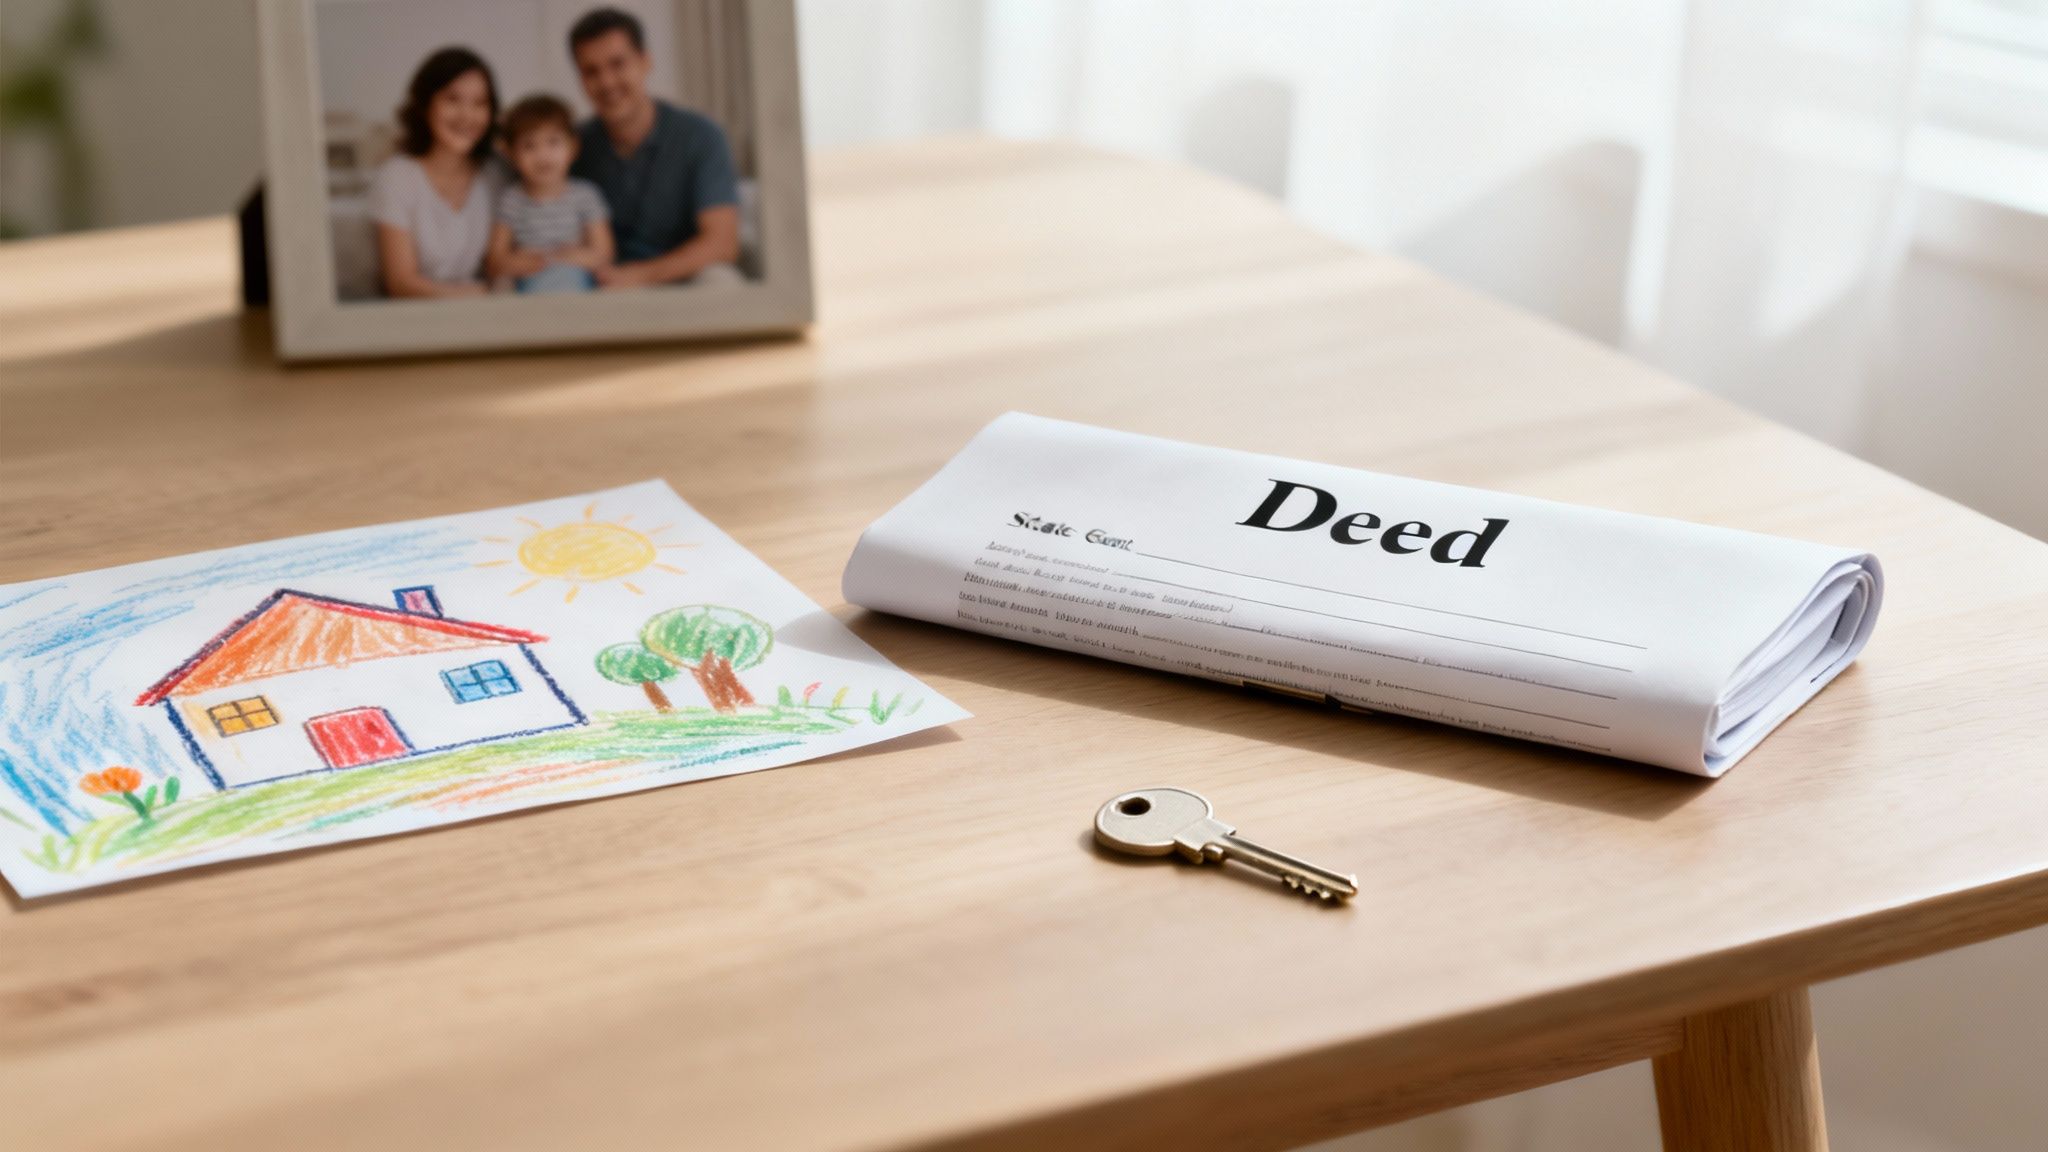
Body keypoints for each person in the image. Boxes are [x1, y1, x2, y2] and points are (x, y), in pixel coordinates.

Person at [566, 8, 743, 290]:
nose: (607, 82)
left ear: (645, 62)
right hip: (602, 286)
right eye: (591, 72)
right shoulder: (571, 147)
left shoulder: (701, 136)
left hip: (683, 279)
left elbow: (722, 244)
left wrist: (642, 275)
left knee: (722, 283)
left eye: (618, 64)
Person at [369, 47, 508, 298]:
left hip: (487, 318)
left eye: (480, 103)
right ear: (425, 105)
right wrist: (476, 297)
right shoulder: (396, 177)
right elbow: (400, 283)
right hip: (419, 323)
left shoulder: (496, 175)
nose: (467, 115)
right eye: (452, 99)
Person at [486, 95, 614, 294]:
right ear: (511, 155)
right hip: (529, 288)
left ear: (573, 147)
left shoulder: (586, 195)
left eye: (553, 142)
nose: (542, 155)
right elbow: (495, 261)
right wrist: (525, 262)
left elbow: (604, 253)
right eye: (529, 146)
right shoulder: (512, 199)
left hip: (578, 285)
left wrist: (558, 258)